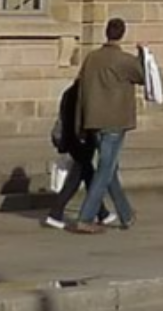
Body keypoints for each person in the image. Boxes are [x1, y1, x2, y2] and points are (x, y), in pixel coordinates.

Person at [71, 17, 144, 234]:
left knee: (109, 168)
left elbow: (81, 91)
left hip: (94, 121)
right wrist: (143, 54)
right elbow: (143, 75)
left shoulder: (91, 58)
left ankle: (126, 214)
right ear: (122, 34)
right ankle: (85, 217)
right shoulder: (124, 60)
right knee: (106, 169)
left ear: (106, 32)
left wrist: (81, 123)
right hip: (114, 122)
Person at [42, 80, 116, 229]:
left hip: (74, 140)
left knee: (88, 175)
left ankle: (102, 213)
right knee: (76, 178)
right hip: (81, 140)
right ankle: (55, 213)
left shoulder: (70, 92)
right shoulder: (83, 95)